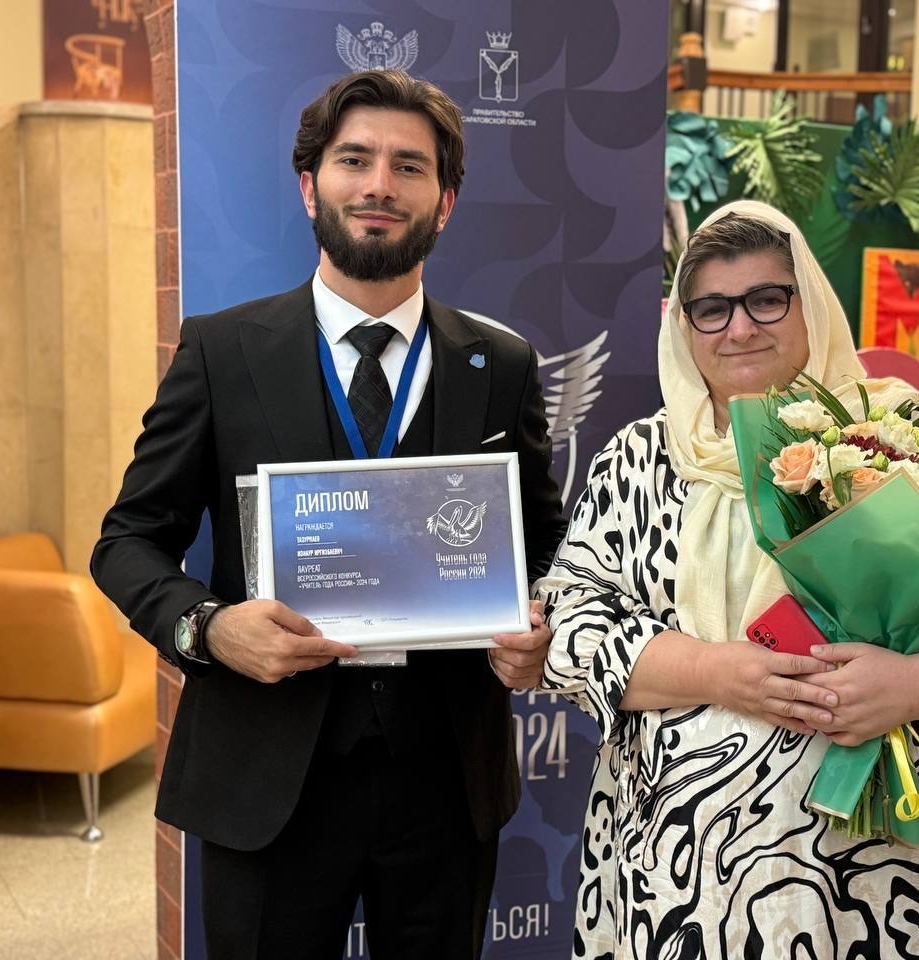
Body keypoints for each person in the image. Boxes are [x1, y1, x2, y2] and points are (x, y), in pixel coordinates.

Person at [91, 69, 566, 959]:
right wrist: (208, 628)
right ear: (311, 186)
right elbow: (129, 541)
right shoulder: (222, 352)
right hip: (264, 779)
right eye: (355, 160)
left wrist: (541, 624)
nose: (379, 184)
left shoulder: (500, 364)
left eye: (409, 166)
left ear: (445, 202)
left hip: (445, 785)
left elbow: (547, 548)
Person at [535, 200, 919, 959]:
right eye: (712, 308)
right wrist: (718, 672)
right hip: (683, 870)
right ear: (684, 327)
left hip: (888, 873)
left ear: (812, 303)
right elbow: (572, 630)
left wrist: (911, 685)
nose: (740, 328)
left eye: (767, 298)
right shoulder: (639, 460)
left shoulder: (901, 441)